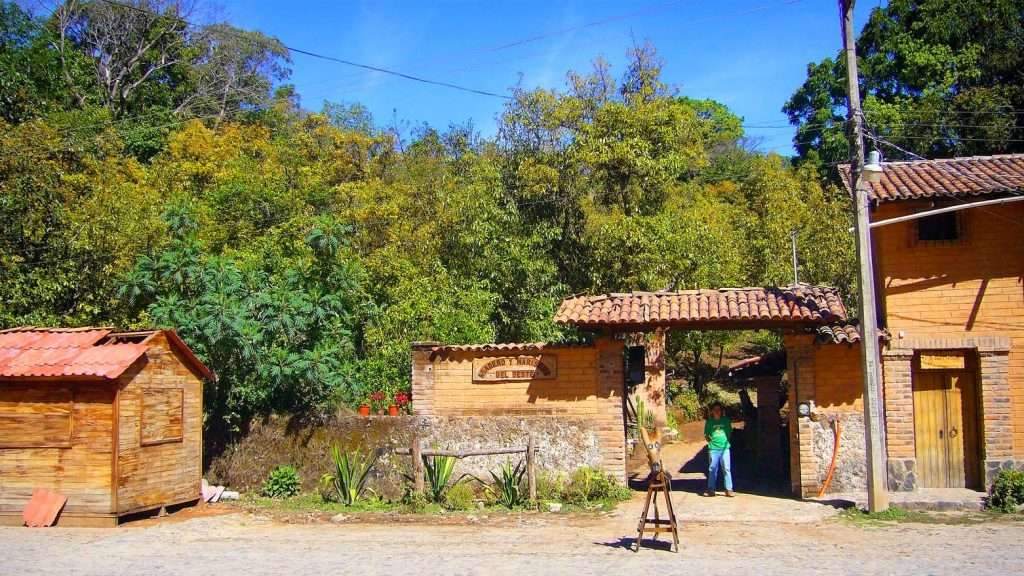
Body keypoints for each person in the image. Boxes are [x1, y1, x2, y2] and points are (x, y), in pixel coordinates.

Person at [704, 402, 734, 497]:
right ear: (712, 411)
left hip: (725, 449)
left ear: (721, 411)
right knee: (712, 469)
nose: (717, 411)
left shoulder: (726, 421)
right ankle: (711, 489)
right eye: (715, 410)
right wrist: (711, 442)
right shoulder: (709, 422)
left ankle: (728, 489)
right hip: (713, 449)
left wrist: (725, 441)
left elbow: (729, 433)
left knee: (727, 469)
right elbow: (706, 435)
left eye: (719, 410)